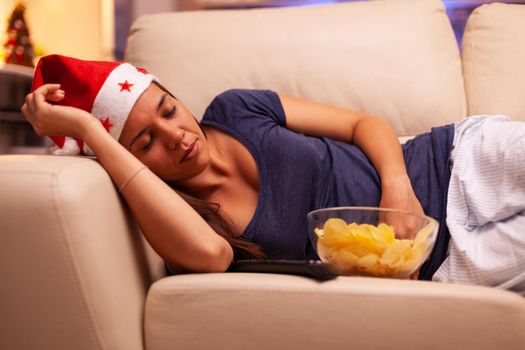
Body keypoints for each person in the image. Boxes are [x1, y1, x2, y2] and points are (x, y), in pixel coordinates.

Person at [22, 55, 525, 294]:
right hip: (441, 265)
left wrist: (399, 189)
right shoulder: (192, 224)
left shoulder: (236, 109)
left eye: (168, 110)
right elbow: (211, 256)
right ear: (127, 159)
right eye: (145, 142)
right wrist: (92, 132)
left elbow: (361, 123)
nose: (176, 135)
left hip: (452, 162)